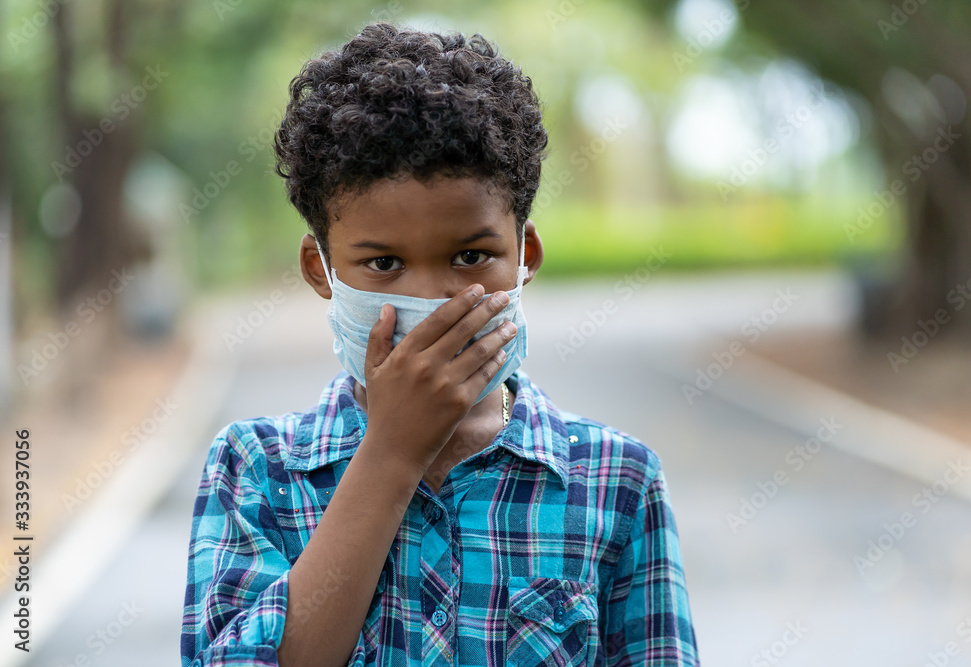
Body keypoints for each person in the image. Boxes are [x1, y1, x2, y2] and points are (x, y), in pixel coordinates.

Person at [181, 22, 699, 667]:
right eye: (384, 265)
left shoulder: (615, 482)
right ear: (322, 270)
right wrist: (394, 450)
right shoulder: (259, 471)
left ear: (524, 256)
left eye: (470, 255)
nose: (435, 301)